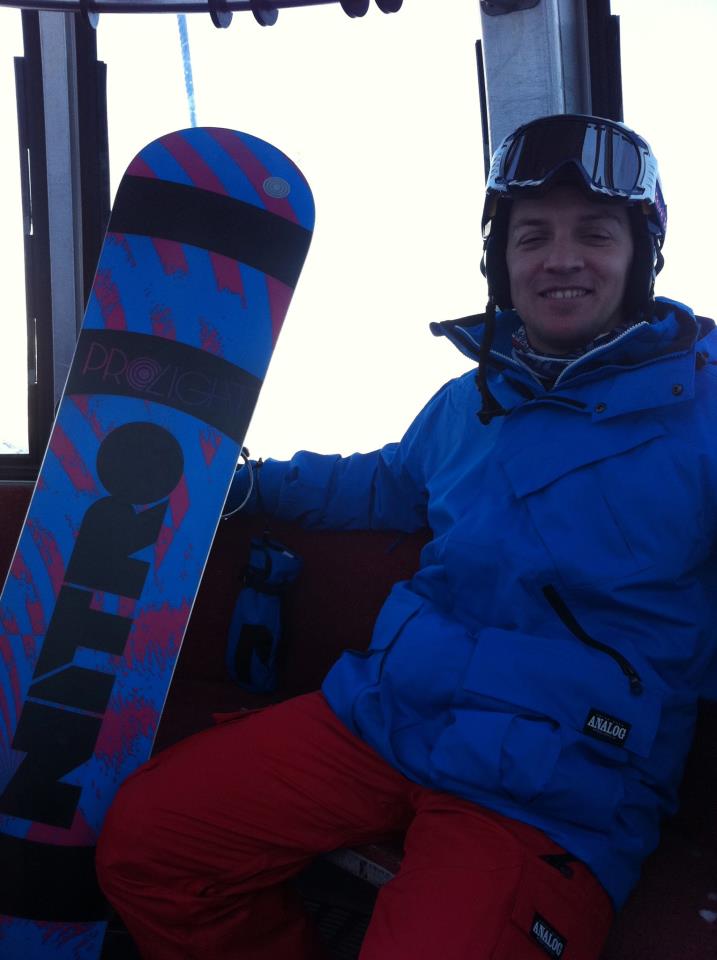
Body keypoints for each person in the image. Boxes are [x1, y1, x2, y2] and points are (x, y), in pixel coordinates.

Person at [96, 114, 717, 960]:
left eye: (594, 234)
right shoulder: (471, 401)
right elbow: (382, 482)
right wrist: (239, 484)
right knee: (151, 846)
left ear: (640, 257)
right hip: (390, 717)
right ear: (500, 261)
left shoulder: (701, 413)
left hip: (555, 781)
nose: (560, 258)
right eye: (531, 236)